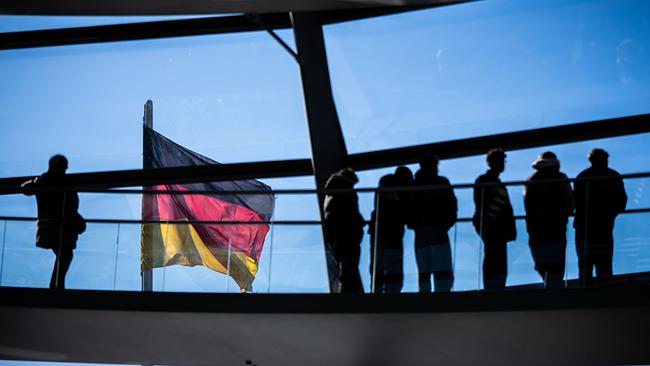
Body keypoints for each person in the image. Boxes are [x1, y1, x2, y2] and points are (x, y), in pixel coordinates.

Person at [21, 155, 86, 289]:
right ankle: (56, 285)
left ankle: (56, 284)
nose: (65, 170)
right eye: (63, 167)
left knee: (65, 254)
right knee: (65, 254)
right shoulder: (47, 182)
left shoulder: (46, 182)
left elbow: (26, 188)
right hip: (54, 227)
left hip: (55, 227)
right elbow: (25, 188)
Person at [573, 148, 627, 287]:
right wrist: (610, 214)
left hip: (585, 229)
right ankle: (605, 293)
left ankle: (586, 295)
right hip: (603, 228)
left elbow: (575, 202)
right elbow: (622, 202)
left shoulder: (583, 177)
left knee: (586, 267)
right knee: (604, 266)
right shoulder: (613, 176)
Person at [524, 152, 574, 289]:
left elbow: (528, 207)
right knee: (556, 267)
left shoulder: (531, 181)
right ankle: (554, 292)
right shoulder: (561, 178)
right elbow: (570, 206)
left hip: (536, 232)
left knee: (543, 266)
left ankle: (550, 290)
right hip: (556, 230)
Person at [411, 155, 457, 292]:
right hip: (438, 228)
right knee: (442, 266)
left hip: (421, 230)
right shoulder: (441, 182)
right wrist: (446, 223)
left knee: (424, 267)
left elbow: (410, 207)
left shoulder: (414, 185)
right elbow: (451, 205)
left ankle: (425, 295)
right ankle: (442, 295)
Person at [473, 149, 516, 290]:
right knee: (495, 258)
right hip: (494, 228)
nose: (502, 164)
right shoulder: (487, 181)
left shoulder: (491, 181)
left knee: (496, 259)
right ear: (492, 162)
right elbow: (484, 206)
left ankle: (495, 287)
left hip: (495, 228)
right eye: (500, 161)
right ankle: (493, 288)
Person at [323, 167, 366, 293]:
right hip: (348, 234)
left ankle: (345, 291)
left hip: (337, 235)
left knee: (344, 264)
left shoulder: (331, 193)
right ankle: (348, 293)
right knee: (350, 265)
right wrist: (359, 223)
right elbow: (351, 212)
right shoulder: (347, 190)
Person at [368, 174, 405, 293]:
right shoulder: (396, 209)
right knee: (393, 271)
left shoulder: (377, 213)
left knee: (377, 270)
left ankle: (376, 294)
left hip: (380, 240)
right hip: (392, 240)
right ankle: (391, 296)